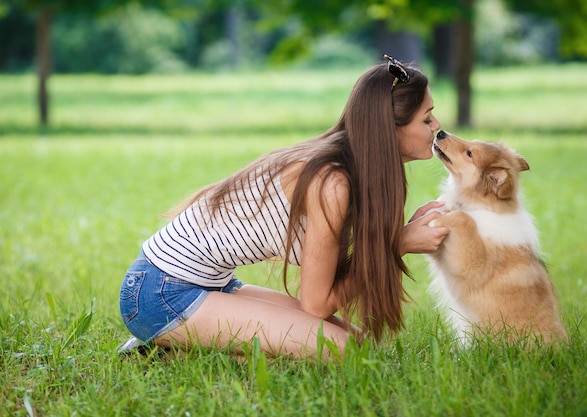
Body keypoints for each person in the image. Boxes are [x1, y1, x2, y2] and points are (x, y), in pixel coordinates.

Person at [118, 55, 449, 359]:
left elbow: (326, 289)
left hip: (209, 285)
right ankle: (171, 341)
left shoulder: (347, 165)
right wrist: (400, 243)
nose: (436, 127)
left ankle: (184, 340)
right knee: (344, 353)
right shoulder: (332, 182)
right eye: (427, 118)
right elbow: (317, 304)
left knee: (361, 345)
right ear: (389, 130)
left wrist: (398, 236)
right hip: (161, 293)